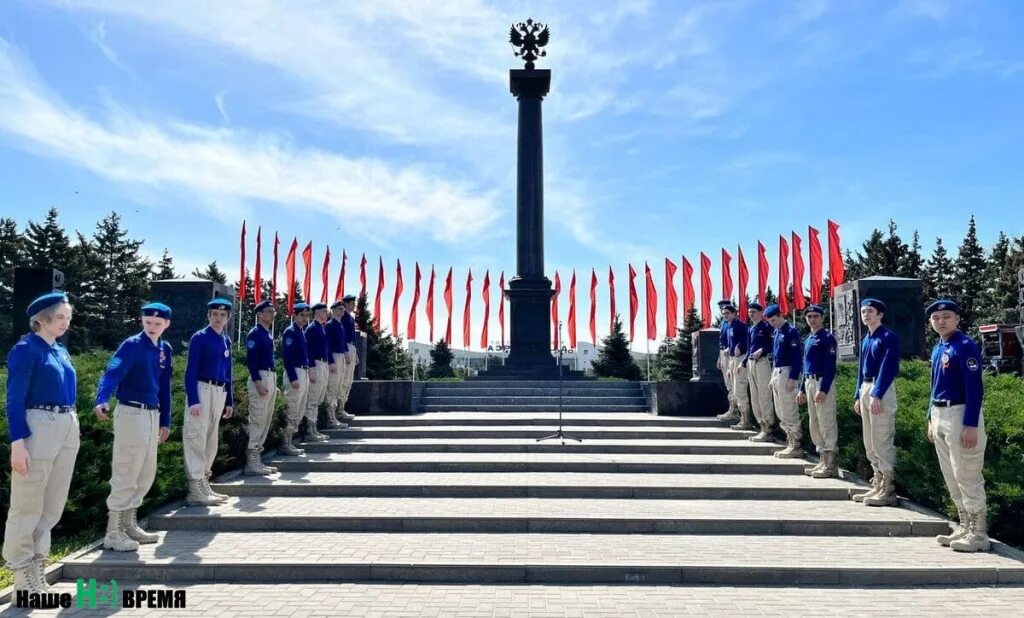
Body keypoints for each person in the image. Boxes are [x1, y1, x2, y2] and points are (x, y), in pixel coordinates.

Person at [3, 293, 80, 593]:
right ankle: (22, 576)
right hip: (38, 426)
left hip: (65, 424)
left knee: (52, 503)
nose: (65, 322)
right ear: (42, 318)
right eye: (60, 316)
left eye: (68, 317)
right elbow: (15, 399)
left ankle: (38, 566)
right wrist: (17, 442)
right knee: (28, 501)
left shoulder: (60, 350)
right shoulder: (26, 349)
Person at [94, 302, 174, 551]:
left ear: (166, 325)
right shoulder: (132, 345)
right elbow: (113, 372)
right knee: (126, 468)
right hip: (131, 411)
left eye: (157, 324)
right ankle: (113, 531)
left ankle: (129, 524)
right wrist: (102, 398)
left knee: (145, 471)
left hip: (152, 414)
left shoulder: (164, 349)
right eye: (148, 322)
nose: (152, 327)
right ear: (142, 321)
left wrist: (165, 420)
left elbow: (165, 387)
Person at [926, 300, 989, 552]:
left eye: (946, 316)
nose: (941, 321)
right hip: (940, 413)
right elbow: (933, 387)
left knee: (967, 474)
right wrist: (929, 418)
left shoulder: (964, 346)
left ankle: (979, 533)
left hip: (960, 414)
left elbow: (975, 388)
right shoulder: (938, 348)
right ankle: (964, 525)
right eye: (936, 318)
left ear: (957, 319)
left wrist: (971, 424)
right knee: (951, 475)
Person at [182, 299, 234, 506]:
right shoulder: (200, 337)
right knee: (197, 436)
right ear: (208, 316)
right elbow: (190, 370)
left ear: (228, 318)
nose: (218, 318)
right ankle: (195, 487)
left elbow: (228, 372)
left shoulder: (226, 340)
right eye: (214, 314)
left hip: (219, 391)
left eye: (222, 315)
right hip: (202, 389)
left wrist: (229, 399)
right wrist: (193, 399)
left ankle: (204, 482)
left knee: (211, 439)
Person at [852, 298, 900, 507]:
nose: (866, 315)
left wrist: (877, 394)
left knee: (881, 439)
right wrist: (857, 394)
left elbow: (888, 368)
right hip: (866, 387)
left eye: (870, 311)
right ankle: (877, 481)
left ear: (880, 315)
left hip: (881, 389)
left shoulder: (888, 337)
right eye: (863, 312)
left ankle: (888, 488)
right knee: (869, 441)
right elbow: (861, 369)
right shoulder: (866, 339)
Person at [796, 304, 839, 478]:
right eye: (809, 316)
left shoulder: (826, 338)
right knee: (814, 422)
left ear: (822, 318)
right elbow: (805, 366)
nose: (812, 319)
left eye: (815, 316)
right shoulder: (808, 339)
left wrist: (824, 389)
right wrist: (801, 389)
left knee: (826, 421)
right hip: (809, 381)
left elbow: (830, 366)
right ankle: (822, 459)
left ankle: (830, 464)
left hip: (822, 382)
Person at [244, 299, 279, 476]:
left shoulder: (267, 334)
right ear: (260, 314)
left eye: (273, 312)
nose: (273, 314)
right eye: (269, 312)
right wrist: (258, 382)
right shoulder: (255, 334)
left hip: (270, 376)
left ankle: (258, 457)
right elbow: (251, 360)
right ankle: (251, 461)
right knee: (257, 419)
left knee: (265, 420)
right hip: (261, 377)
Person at [764, 304, 803, 458]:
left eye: (774, 320)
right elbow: (776, 356)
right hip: (778, 371)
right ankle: (790, 440)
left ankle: (796, 444)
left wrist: (793, 377)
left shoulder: (790, 331)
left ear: (781, 315)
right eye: (770, 321)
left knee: (788, 409)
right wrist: (773, 377)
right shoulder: (778, 331)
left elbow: (797, 357)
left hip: (787, 372)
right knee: (780, 410)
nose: (772, 323)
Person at [280, 302, 311, 455]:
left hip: (303, 372)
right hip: (296, 373)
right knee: (292, 408)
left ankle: (290, 441)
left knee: (299, 409)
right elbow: (287, 357)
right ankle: (286, 443)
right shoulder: (290, 332)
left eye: (307, 316)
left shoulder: (301, 331)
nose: (305, 318)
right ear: (295, 315)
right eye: (302, 315)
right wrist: (293, 377)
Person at [745, 302, 775, 443]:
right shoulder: (751, 329)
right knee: (755, 397)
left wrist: (763, 350)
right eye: (749, 312)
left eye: (754, 312)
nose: (751, 314)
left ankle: (768, 428)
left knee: (764, 395)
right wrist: (743, 362)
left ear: (760, 312)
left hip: (762, 362)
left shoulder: (766, 326)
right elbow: (749, 347)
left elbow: (773, 343)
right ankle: (761, 425)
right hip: (751, 363)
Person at [721, 303, 752, 431]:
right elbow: (730, 343)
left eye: (728, 313)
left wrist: (741, 346)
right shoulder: (728, 326)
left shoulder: (739, 325)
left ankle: (746, 420)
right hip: (732, 359)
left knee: (739, 390)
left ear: (734, 313)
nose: (725, 316)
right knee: (734, 389)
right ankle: (738, 415)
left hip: (741, 359)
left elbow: (748, 339)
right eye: (723, 314)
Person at [303, 302, 331, 441]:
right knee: (312, 399)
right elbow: (309, 350)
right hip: (316, 364)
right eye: (324, 311)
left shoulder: (321, 327)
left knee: (318, 398)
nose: (326, 314)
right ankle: (309, 430)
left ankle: (314, 429)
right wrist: (312, 367)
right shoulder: (312, 328)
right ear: (317, 312)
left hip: (323, 363)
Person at [324, 301, 353, 426]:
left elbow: (343, 342)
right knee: (333, 387)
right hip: (334, 356)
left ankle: (334, 415)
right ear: (334, 310)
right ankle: (330, 418)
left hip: (341, 356)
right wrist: (330, 361)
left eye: (343, 309)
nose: (342, 311)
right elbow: (327, 345)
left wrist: (346, 353)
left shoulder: (340, 325)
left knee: (339, 386)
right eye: (340, 309)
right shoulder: (330, 325)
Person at [715, 300, 740, 423]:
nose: (722, 311)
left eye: (725, 310)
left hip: (732, 355)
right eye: (721, 309)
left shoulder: (734, 324)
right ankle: (732, 409)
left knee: (733, 384)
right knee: (728, 384)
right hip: (724, 354)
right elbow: (722, 342)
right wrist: (720, 358)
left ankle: (734, 410)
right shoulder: (723, 323)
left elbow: (735, 341)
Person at [337, 294, 360, 416]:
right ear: (345, 304)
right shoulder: (343, 317)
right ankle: (339, 408)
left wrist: (355, 352)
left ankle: (342, 406)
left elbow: (352, 337)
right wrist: (346, 350)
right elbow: (343, 336)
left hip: (351, 347)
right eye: (351, 303)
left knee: (349, 379)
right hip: (345, 347)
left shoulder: (350, 317)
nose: (353, 306)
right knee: (344, 379)